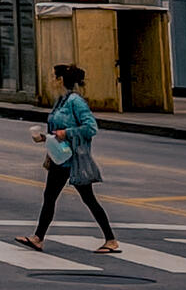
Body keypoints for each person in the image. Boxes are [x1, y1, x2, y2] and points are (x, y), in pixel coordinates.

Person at [16, 64, 118, 254]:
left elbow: (91, 127)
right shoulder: (61, 101)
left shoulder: (75, 102)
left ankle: (111, 240)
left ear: (60, 80)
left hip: (74, 159)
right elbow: (57, 131)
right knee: (50, 196)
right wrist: (44, 138)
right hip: (60, 157)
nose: (50, 80)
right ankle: (38, 238)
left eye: (53, 77)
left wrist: (67, 132)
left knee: (88, 198)